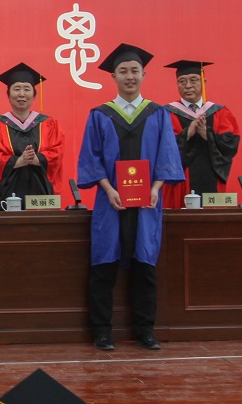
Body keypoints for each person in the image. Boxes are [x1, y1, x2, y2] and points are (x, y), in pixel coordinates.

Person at [76, 42, 183, 352]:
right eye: (123, 71)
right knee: (103, 265)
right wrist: (109, 189)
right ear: (114, 77)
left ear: (144, 75)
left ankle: (145, 330)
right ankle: (102, 331)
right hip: (110, 202)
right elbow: (91, 158)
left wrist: (155, 189)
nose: (129, 76)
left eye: (135, 70)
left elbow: (167, 155)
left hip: (147, 202)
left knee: (144, 265)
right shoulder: (100, 115)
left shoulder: (158, 114)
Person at [0, 62, 65, 209]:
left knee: (42, 222)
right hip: (7, 194)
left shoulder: (49, 124)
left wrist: (37, 159)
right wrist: (18, 161)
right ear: (8, 94)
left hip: (41, 194)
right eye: (16, 89)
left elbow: (57, 151)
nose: (21, 94)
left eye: (27, 89)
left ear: (34, 94)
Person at [161, 60, 241, 208]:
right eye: (182, 81)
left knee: (212, 220)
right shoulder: (166, 114)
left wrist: (207, 134)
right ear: (177, 84)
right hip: (179, 183)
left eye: (194, 80)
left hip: (211, 179)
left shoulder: (220, 112)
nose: (188, 85)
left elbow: (230, 144)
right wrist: (187, 133)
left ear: (204, 82)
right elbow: (161, 148)